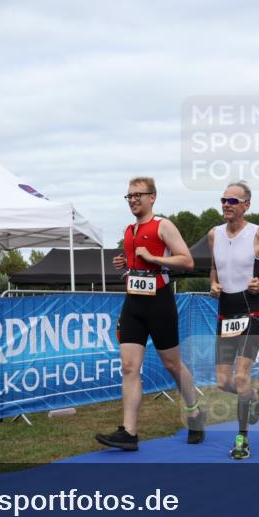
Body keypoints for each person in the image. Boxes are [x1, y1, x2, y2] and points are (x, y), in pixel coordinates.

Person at [96, 176, 204, 451]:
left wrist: (155, 259)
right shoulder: (129, 230)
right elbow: (137, 263)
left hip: (159, 302)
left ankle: (194, 412)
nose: (133, 200)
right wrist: (127, 262)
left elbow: (187, 261)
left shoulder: (163, 225)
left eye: (138, 195)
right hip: (134, 302)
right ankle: (129, 433)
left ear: (152, 197)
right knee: (129, 366)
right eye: (129, 196)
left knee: (172, 365)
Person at [207, 181, 259, 460]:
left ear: (246, 205)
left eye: (233, 201)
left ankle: (242, 438)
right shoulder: (213, 234)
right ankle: (257, 395)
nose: (226, 204)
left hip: (252, 310)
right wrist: (213, 284)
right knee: (222, 381)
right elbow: (214, 268)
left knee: (241, 376)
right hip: (226, 311)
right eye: (223, 199)